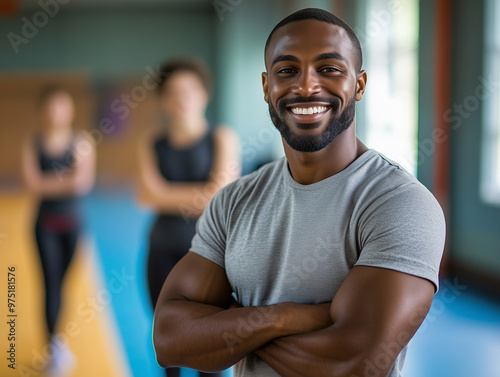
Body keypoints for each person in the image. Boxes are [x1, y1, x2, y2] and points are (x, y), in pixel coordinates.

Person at [152, 8, 446, 377]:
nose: (306, 86)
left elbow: (352, 363)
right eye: (287, 70)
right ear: (266, 87)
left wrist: (231, 322)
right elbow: (169, 338)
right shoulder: (233, 202)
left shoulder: (400, 204)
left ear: (359, 84)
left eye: (330, 69)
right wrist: (286, 317)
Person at [137, 58, 240, 377]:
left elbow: (218, 195)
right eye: (173, 92)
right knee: (168, 344)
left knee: (209, 348)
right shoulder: (151, 143)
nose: (182, 98)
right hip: (161, 252)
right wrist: (199, 193)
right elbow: (146, 196)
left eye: (190, 90)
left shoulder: (222, 138)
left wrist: (167, 193)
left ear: (204, 95)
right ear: (164, 99)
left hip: (209, 258)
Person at [22, 86, 95, 376]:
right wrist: (66, 179)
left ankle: (58, 339)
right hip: (44, 227)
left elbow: (82, 183)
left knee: (63, 286)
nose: (55, 113)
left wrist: (47, 182)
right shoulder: (34, 143)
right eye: (50, 107)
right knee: (49, 286)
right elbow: (31, 185)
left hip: (73, 226)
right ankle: (52, 348)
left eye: (61, 106)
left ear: (70, 110)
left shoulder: (82, 142)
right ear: (43, 111)